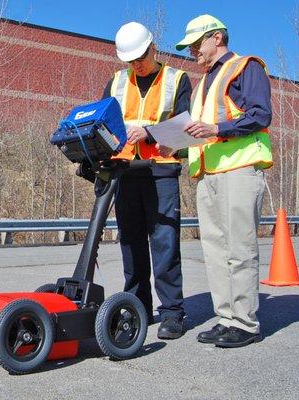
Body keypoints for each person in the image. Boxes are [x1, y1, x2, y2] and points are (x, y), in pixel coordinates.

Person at [172, 14, 273, 347]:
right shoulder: (203, 83)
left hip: (239, 170)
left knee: (239, 249)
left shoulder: (246, 67)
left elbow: (260, 114)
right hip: (209, 176)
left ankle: (245, 323)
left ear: (216, 37)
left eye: (195, 44)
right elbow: (200, 130)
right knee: (215, 252)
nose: (192, 52)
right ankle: (227, 317)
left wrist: (217, 129)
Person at [102, 22, 192, 339]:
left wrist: (150, 133)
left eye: (141, 56)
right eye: (131, 60)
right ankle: (138, 308)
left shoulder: (176, 79)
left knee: (164, 242)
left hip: (160, 170)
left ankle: (172, 314)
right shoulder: (115, 83)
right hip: (126, 172)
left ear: (153, 47)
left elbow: (184, 125)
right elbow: (103, 123)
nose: (137, 64)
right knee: (131, 243)